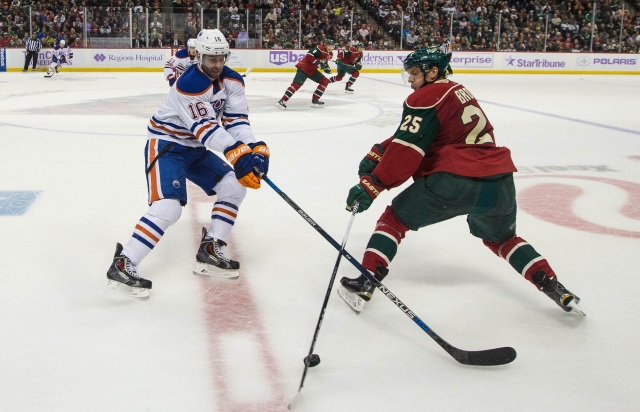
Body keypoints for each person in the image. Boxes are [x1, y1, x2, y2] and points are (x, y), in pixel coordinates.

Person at [337, 46, 584, 316]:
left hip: (454, 179)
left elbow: (408, 150)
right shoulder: (457, 90)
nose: (410, 79)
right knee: (503, 238)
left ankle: (367, 279)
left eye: (415, 73)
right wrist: (381, 150)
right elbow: (429, 134)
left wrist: (374, 184)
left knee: (394, 220)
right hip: (499, 182)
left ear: (433, 72)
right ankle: (553, 286)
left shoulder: (425, 97)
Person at [106, 29, 270, 298]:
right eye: (211, 59)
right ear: (199, 56)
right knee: (168, 207)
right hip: (167, 145)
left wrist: (254, 149)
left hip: (194, 149)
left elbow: (237, 122)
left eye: (221, 58)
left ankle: (211, 247)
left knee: (234, 185)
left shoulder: (233, 81)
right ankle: (124, 263)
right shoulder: (189, 84)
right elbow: (205, 128)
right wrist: (236, 153)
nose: (217, 65)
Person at [275, 39, 334, 109]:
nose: (330, 47)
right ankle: (282, 101)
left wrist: (326, 68)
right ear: (325, 45)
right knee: (296, 85)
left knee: (325, 81)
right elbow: (309, 55)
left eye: (332, 46)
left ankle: (315, 100)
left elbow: (324, 63)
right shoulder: (320, 48)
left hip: (312, 70)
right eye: (329, 45)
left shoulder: (330, 54)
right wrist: (318, 63)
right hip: (304, 68)